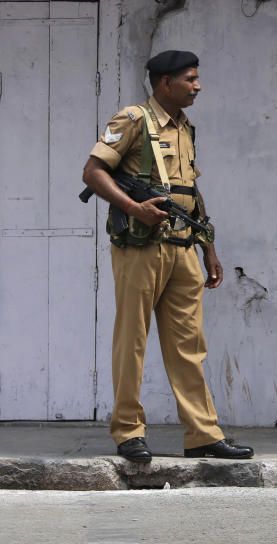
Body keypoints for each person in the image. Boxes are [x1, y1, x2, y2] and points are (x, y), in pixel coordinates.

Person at [82, 50, 253, 462]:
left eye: (196, 78)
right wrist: (133, 206)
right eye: (190, 79)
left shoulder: (185, 128)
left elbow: (190, 193)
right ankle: (128, 432)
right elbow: (93, 172)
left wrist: (208, 246)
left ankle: (203, 435)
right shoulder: (132, 119)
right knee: (132, 341)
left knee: (189, 346)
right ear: (165, 83)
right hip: (141, 247)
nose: (198, 86)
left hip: (182, 249)